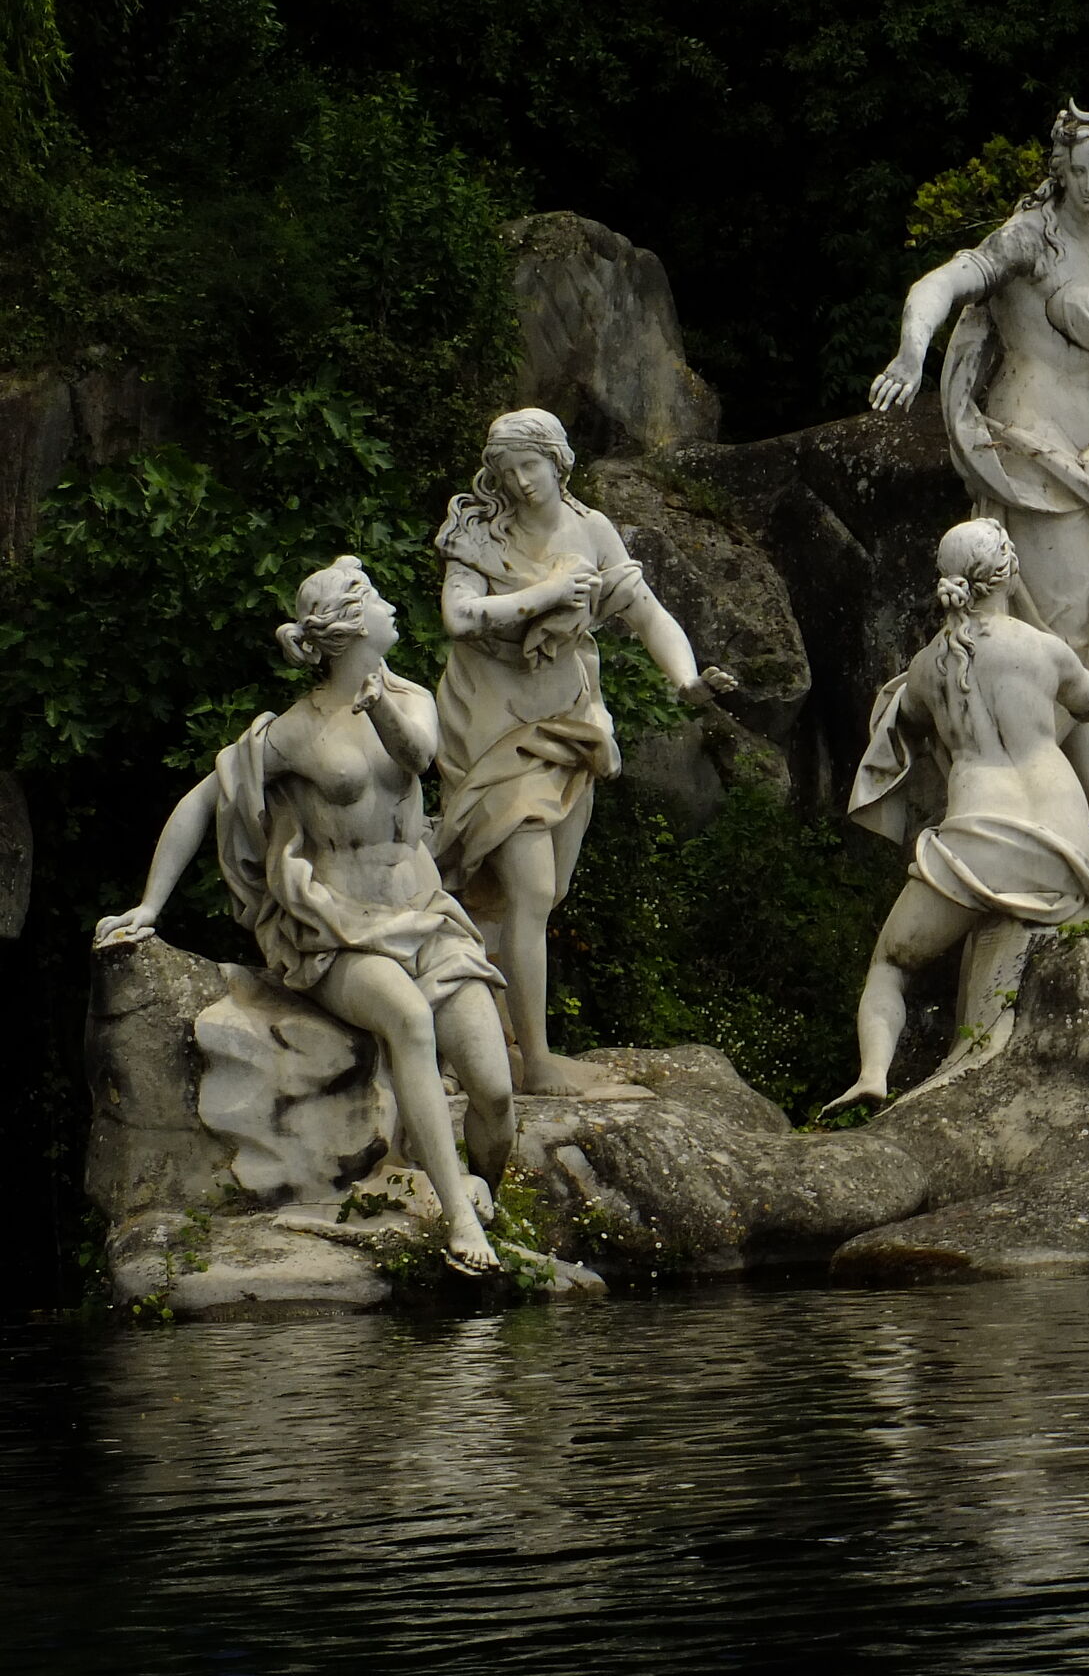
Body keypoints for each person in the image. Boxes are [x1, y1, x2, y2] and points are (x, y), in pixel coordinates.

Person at [96, 558, 514, 1273]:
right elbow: (202, 802)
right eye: (378, 598)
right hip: (340, 930)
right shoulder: (293, 732)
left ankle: (484, 1186)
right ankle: (458, 1221)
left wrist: (378, 705)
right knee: (409, 1022)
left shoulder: (409, 697)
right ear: (349, 626)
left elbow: (419, 755)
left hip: (427, 920)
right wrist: (150, 904)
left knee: (497, 1093)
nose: (393, 607)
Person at [868, 101, 1089, 840]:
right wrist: (913, 349)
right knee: (1066, 638)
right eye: (1079, 169)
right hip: (1032, 452)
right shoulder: (1032, 236)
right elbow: (941, 282)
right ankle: (1075, 787)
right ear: (1059, 168)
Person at [434, 407, 735, 1098]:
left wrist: (687, 680)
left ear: (557, 460)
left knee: (537, 893)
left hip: (569, 717)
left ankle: (474, 1028)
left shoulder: (591, 530)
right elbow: (458, 617)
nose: (517, 482)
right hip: (491, 718)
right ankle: (536, 1063)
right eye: (505, 471)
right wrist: (542, 594)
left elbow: (649, 613)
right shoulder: (478, 530)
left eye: (529, 466)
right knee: (532, 888)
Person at [830, 519, 1089, 1114]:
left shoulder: (928, 667)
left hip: (977, 840)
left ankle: (874, 1073)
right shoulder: (1043, 648)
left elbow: (895, 726)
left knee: (890, 963)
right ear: (1010, 573)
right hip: (1061, 839)